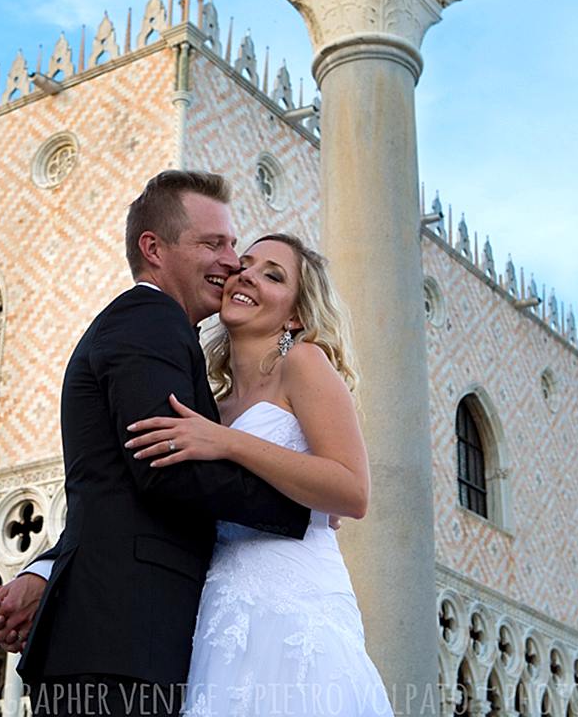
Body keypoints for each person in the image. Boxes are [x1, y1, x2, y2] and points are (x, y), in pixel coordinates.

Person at [0, 171, 311, 716]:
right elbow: (164, 467)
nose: (232, 261)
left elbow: (116, 486)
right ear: (154, 248)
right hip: (123, 641)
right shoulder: (149, 322)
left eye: (231, 244)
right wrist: (300, 509)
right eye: (212, 243)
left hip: (123, 636)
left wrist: (44, 570)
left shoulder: (158, 329)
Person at [125, 233, 393, 716]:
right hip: (221, 610)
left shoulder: (304, 362)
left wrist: (227, 442)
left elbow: (353, 491)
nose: (247, 275)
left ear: (294, 315)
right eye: (244, 265)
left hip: (296, 604)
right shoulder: (212, 403)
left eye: (273, 275)